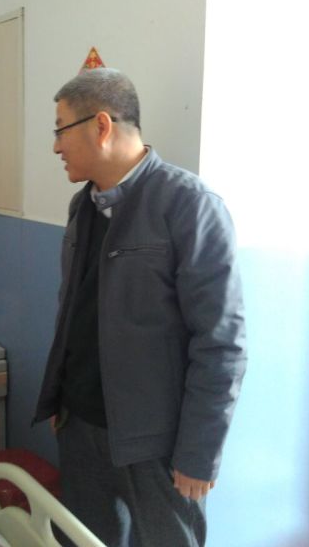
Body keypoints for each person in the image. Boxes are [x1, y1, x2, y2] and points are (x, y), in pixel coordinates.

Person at [33, 68, 247, 547]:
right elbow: (74, 311)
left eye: (61, 130)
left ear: (101, 126)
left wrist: (199, 452)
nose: (55, 146)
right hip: (81, 425)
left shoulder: (189, 205)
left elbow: (222, 343)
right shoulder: (83, 207)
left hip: (157, 444)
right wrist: (61, 396)